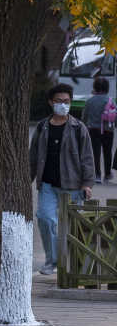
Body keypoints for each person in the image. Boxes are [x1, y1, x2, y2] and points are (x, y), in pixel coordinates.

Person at [29, 82, 94, 275]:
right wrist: (28, 180)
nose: (63, 105)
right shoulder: (42, 127)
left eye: (66, 101)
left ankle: (77, 264)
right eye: (59, 101)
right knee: (45, 219)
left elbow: (88, 157)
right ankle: (53, 261)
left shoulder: (78, 128)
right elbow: (33, 156)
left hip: (73, 185)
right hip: (47, 185)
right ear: (51, 102)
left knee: (74, 226)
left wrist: (87, 184)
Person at [83, 74, 114, 184]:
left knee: (95, 152)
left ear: (95, 87)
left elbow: (84, 116)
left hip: (93, 130)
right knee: (107, 152)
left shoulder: (90, 101)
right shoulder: (110, 100)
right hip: (108, 130)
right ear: (107, 88)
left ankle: (97, 174)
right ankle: (107, 174)